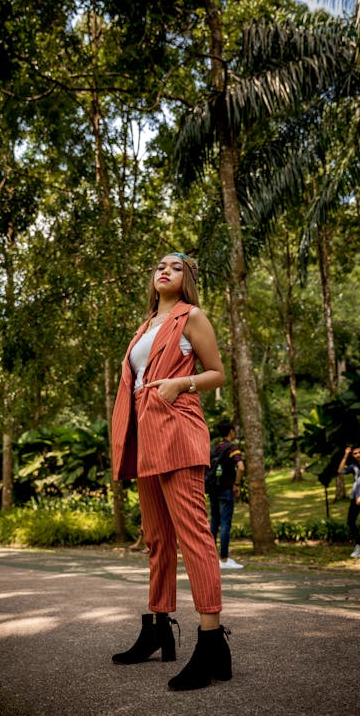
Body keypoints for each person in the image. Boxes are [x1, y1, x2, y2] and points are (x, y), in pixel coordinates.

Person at [111, 252, 232, 691]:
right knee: (157, 539)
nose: (165, 270)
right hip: (145, 440)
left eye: (176, 266)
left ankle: (211, 640)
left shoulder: (192, 317)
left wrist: (183, 382)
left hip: (179, 432)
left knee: (194, 535)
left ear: (187, 280)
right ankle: (159, 626)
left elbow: (218, 373)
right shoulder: (144, 327)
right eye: (160, 265)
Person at [208, 420, 245, 570]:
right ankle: (224, 559)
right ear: (230, 431)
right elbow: (241, 467)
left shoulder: (215, 448)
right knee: (225, 524)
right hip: (225, 490)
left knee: (214, 524)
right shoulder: (232, 449)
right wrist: (236, 485)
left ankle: (211, 558)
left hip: (212, 489)